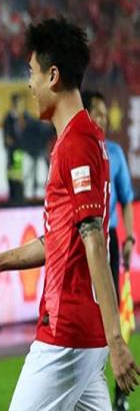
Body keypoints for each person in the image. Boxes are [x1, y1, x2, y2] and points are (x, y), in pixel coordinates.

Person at [0, 18, 139, 410]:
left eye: (32, 73)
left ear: (53, 76)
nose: (29, 84)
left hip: (66, 334)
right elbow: (61, 240)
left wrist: (117, 340)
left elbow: (94, 240)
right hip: (85, 335)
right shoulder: (84, 140)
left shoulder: (76, 144)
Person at [83, 89, 135, 411]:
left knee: (112, 310)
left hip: (108, 239)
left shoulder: (114, 153)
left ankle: (119, 389)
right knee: (88, 313)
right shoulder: (76, 150)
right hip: (81, 241)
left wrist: (129, 238)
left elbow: (126, 199)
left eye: (105, 114)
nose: (102, 119)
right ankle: (89, 384)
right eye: (98, 113)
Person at [2, 93, 26, 203]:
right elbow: (7, 137)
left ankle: (18, 196)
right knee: (13, 171)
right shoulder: (9, 118)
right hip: (13, 150)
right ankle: (14, 196)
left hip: (18, 150)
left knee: (18, 172)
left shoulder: (20, 118)